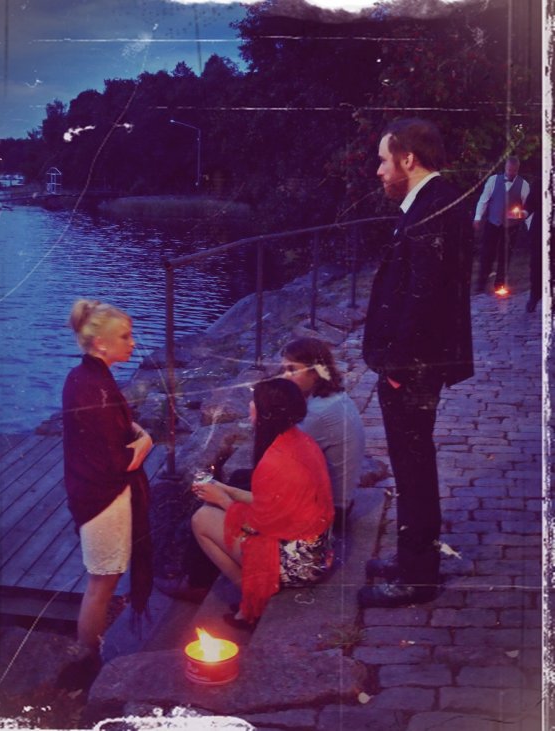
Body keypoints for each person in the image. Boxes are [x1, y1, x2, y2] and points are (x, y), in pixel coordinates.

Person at [361, 118, 473, 608]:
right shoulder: (429, 203)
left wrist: (397, 368)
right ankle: (413, 557)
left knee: (413, 467)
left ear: (408, 159)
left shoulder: (434, 207)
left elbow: (424, 300)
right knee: (413, 465)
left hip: (413, 368)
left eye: (384, 160)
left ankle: (417, 577)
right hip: (414, 364)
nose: (379, 170)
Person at [191, 378, 334, 624]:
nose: (250, 405)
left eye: (254, 401)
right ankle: (252, 596)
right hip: (316, 553)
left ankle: (253, 602)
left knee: (201, 519)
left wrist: (223, 500)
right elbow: (273, 504)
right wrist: (228, 490)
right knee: (212, 510)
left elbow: (256, 526)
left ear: (266, 413)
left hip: (297, 564)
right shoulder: (302, 441)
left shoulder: (274, 460)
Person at [62, 299, 154, 656]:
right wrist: (145, 443)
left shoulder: (86, 377)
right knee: (102, 582)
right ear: (101, 343)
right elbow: (115, 461)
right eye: (125, 336)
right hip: (102, 499)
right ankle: (89, 656)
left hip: (93, 493)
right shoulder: (94, 386)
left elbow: (103, 432)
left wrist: (132, 429)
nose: (133, 342)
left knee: (104, 579)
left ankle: (91, 650)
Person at [280, 337, 365, 532]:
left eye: (292, 370)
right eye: (283, 370)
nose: (285, 376)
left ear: (315, 372)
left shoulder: (318, 412)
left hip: (332, 510)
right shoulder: (334, 397)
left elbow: (279, 456)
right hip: (342, 500)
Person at [474, 156, 530, 293]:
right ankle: (480, 285)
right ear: (505, 167)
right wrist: (478, 217)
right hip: (492, 223)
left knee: (505, 256)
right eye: (509, 170)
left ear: (517, 170)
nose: (510, 173)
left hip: (511, 227)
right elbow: (483, 200)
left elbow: (528, 208)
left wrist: (526, 222)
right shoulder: (493, 180)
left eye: (513, 171)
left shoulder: (524, 185)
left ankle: (500, 285)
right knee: (487, 254)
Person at [524, 174, 542, 313]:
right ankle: (535, 295)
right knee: (536, 263)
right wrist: (524, 212)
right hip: (540, 230)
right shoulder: (539, 182)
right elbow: (530, 204)